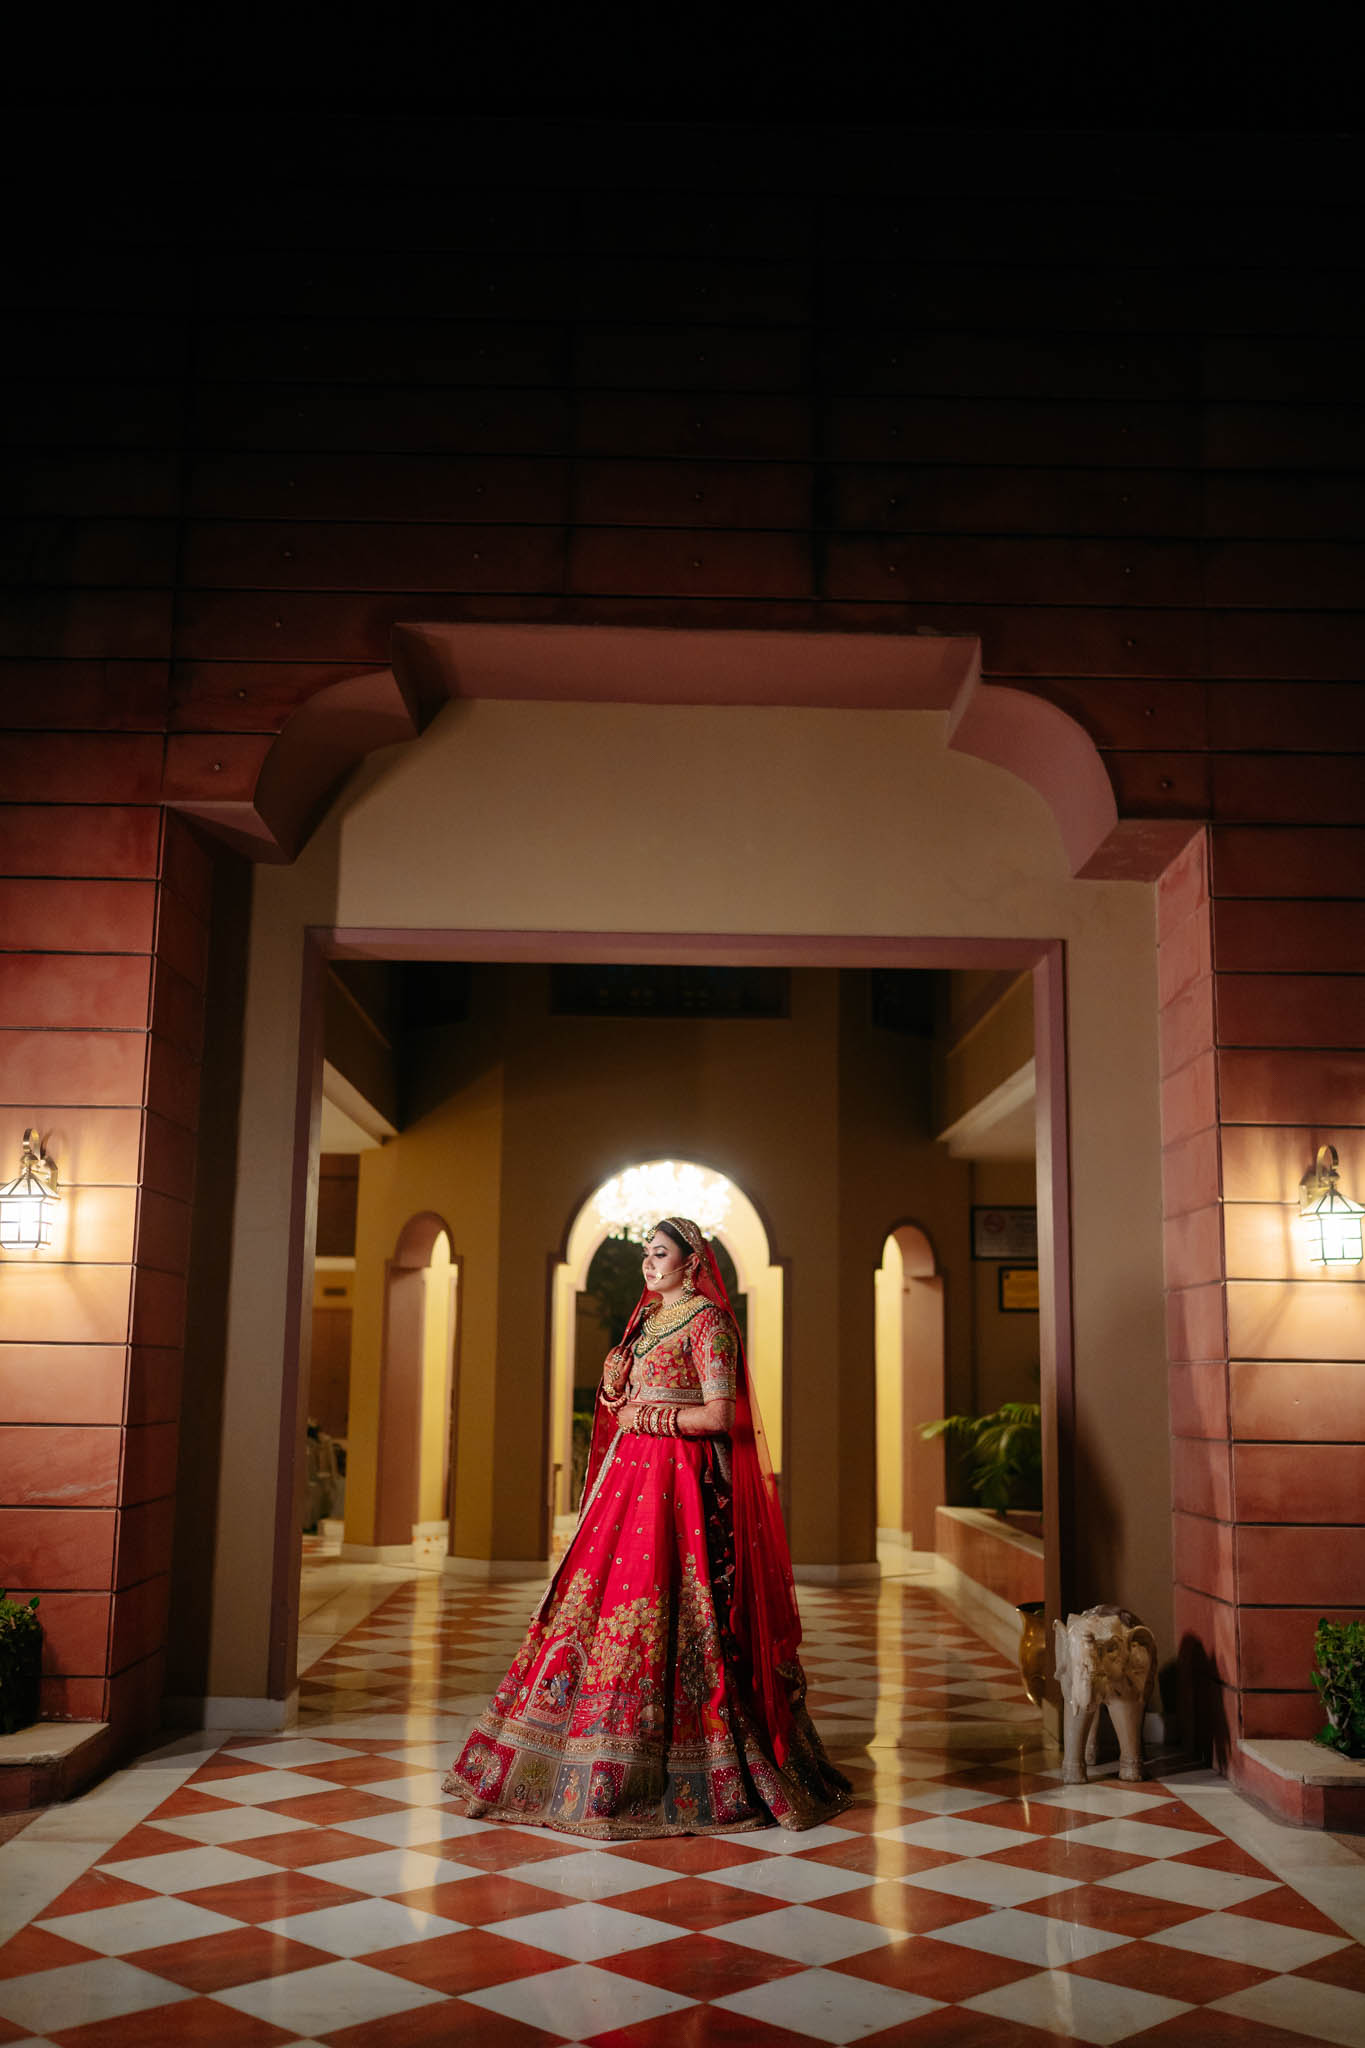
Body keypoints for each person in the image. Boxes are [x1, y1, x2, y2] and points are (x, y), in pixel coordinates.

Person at [442, 1216, 851, 1839]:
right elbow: (627, 1399)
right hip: (628, 1479)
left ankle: (681, 1761)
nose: (649, 1264)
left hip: (677, 1485)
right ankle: (576, 1750)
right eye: (646, 1254)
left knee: (667, 1607)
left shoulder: (709, 1323)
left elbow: (720, 1415)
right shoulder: (649, 1321)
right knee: (593, 1607)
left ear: (692, 1262)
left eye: (661, 1253)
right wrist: (617, 1398)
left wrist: (648, 1417)